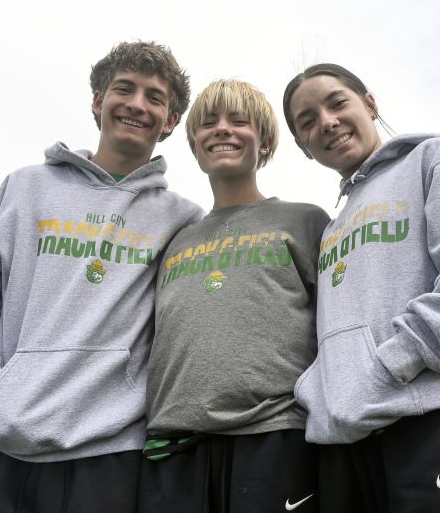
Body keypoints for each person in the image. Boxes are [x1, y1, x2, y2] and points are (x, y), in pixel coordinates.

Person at [0, 41, 204, 512]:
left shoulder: (185, 221)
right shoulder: (24, 187)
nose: (137, 104)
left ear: (171, 120)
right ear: (98, 101)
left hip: (108, 459)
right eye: (124, 89)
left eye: (155, 97)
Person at [282, 64, 440, 512]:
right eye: (308, 121)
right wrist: (321, 391)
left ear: (370, 104)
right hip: (354, 435)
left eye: (337, 103)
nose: (327, 122)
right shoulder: (333, 226)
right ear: (303, 146)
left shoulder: (434, 158)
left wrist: (395, 360)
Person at [138, 79, 329, 512]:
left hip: (275, 438)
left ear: (264, 143)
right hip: (173, 448)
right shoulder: (173, 239)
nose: (222, 129)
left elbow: (351, 308)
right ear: (194, 145)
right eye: (208, 124)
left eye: (238, 121)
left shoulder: (306, 222)